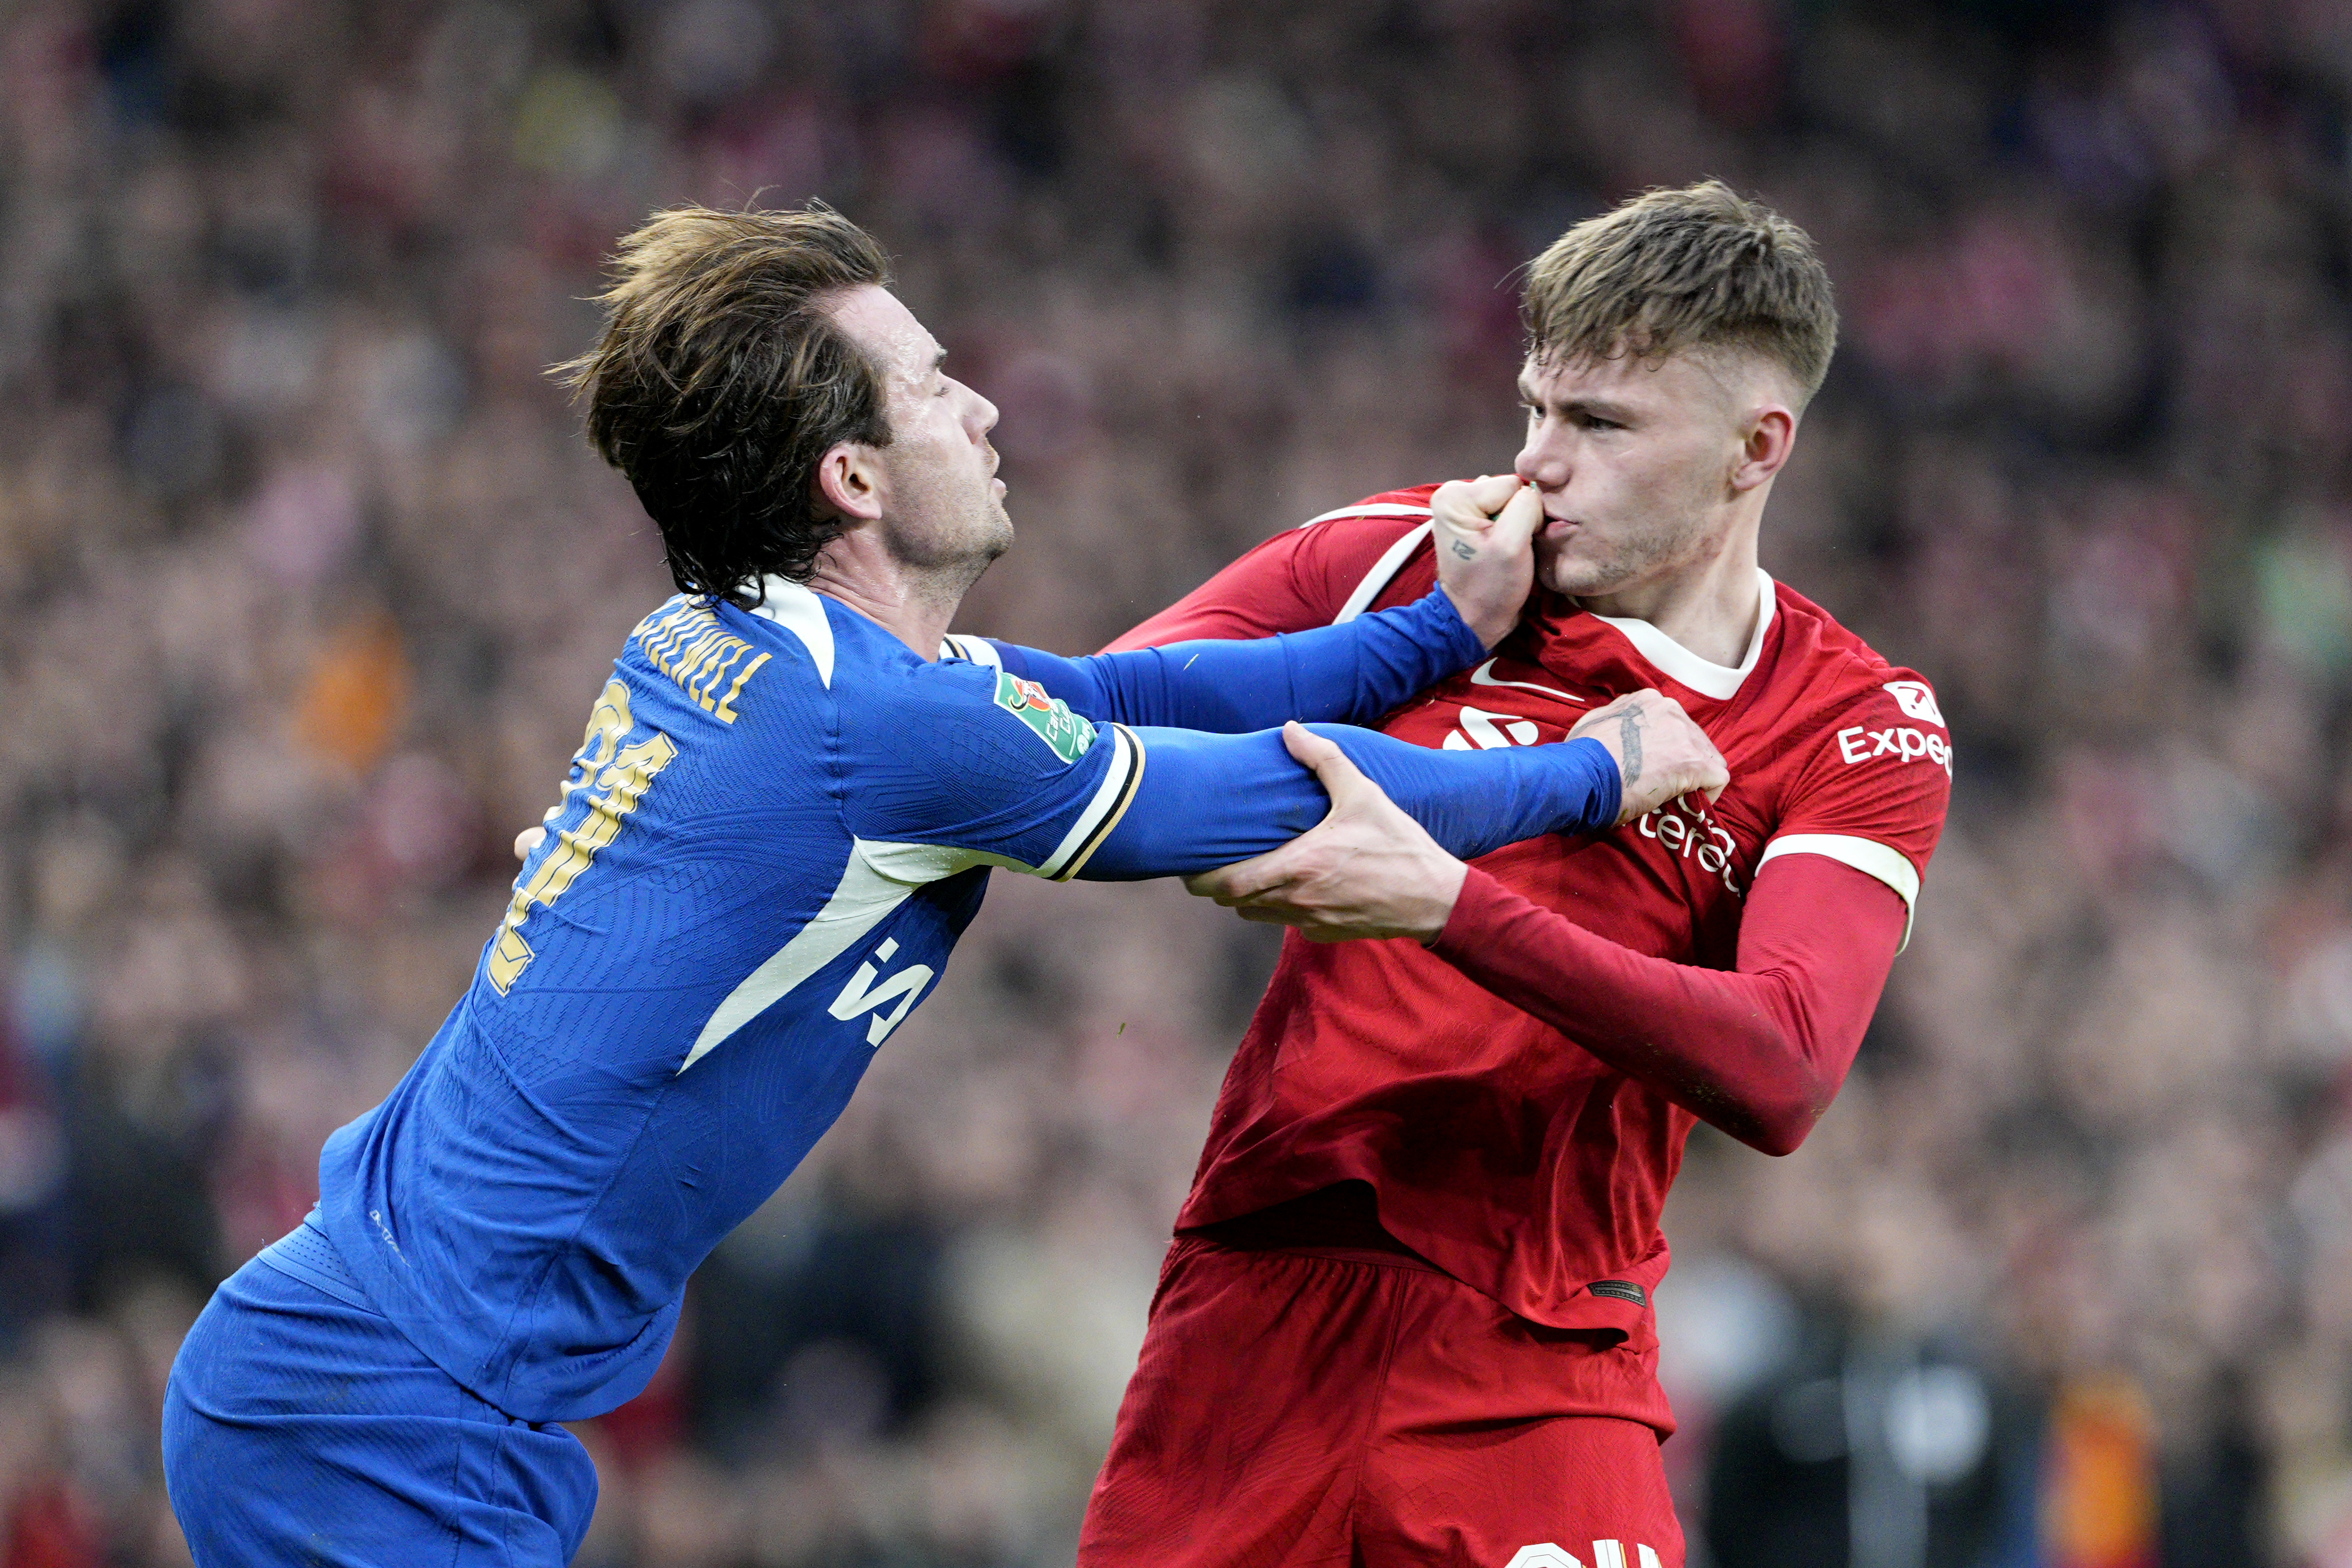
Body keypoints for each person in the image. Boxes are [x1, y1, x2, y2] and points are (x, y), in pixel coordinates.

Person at [157, 204, 1726, 1566]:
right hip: (394, 1403)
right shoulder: (869, 721)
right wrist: (1592, 772)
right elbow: (1270, 800)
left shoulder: (774, 651)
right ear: (851, 475)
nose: (979, 406)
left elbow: (1149, 703)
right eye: (928, 385)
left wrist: (1440, 635)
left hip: (366, 1373)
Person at [1066, 182, 1952, 1567]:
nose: (1538, 464)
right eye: (1536, 408)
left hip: (1549, 1351)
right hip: (1266, 1298)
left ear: (1754, 446)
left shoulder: (1850, 721)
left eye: (1599, 425)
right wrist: (1423, 638)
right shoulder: (1414, 565)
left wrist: (1449, 903)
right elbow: (1077, 744)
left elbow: (1783, 1064)